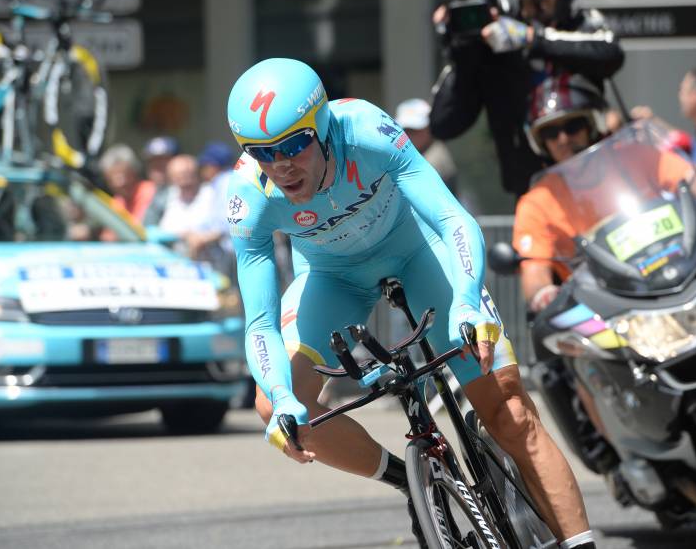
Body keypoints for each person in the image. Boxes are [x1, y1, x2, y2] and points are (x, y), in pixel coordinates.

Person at [225, 57, 595, 549]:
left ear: (323, 127)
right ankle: (410, 481)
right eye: (262, 151)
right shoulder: (249, 196)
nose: (281, 164)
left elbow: (451, 219)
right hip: (333, 278)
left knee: (508, 411)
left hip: (420, 251)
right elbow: (261, 321)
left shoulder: (366, 130)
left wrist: (465, 299)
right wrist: (283, 393)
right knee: (273, 404)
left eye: (295, 144)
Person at [515, 74, 696, 311]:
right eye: (550, 133)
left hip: (684, 270)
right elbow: (534, 269)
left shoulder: (636, 155)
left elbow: (692, 178)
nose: (563, 139)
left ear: (593, 124)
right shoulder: (535, 203)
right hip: (609, 308)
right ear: (540, 142)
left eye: (573, 126)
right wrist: (542, 292)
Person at [429, 0, 624, 199]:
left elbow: (611, 53)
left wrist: (531, 39)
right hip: (533, 193)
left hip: (596, 182)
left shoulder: (580, 24)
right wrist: (466, 52)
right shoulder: (492, 44)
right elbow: (444, 123)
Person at [157, 154, 220, 261]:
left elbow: (224, 229)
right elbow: (154, 230)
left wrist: (203, 238)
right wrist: (183, 235)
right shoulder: (166, 197)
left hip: (211, 262)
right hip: (175, 262)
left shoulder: (212, 194)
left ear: (196, 174)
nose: (184, 180)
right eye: (178, 176)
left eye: (187, 174)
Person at [394, 98, 459, 196]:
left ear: (428, 127)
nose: (408, 135)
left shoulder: (435, 158)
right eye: (404, 130)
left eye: (414, 130)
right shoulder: (414, 155)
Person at [99, 143, 156, 225]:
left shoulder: (151, 192)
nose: (119, 183)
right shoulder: (117, 203)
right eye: (112, 179)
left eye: (123, 176)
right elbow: (109, 234)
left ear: (134, 172)